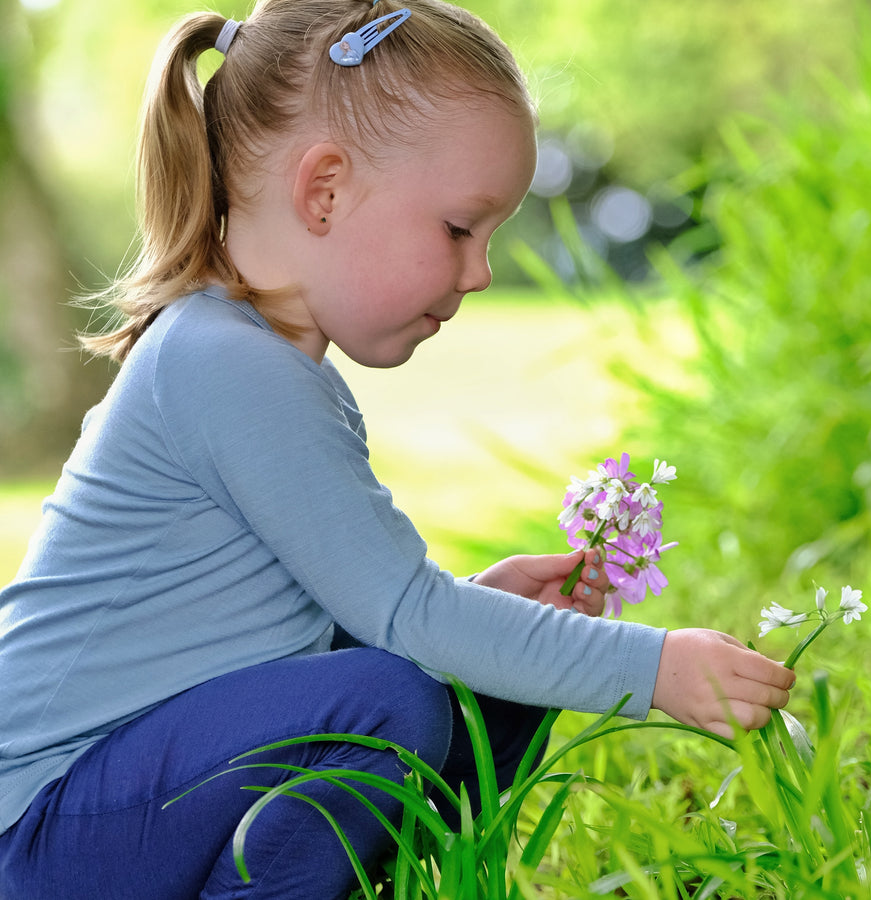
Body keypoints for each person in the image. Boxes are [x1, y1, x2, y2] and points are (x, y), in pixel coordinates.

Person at [0, 0, 795, 897]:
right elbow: (399, 618)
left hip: (124, 798)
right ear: (326, 190)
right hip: (42, 826)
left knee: (476, 684)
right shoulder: (224, 365)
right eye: (460, 228)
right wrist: (648, 669)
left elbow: (295, 632)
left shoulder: (266, 369)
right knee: (390, 704)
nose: (481, 271)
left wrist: (480, 613)